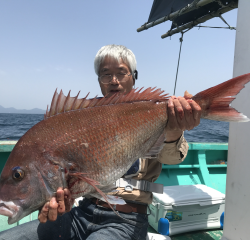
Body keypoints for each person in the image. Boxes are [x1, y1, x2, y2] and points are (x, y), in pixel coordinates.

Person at [0, 45, 201, 240]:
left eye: (121, 72)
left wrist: (174, 130)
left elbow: (172, 157)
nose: (114, 81)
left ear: (133, 76)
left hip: (127, 219)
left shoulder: (154, 112)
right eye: (106, 74)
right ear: (99, 80)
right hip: (81, 212)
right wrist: (56, 200)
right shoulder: (82, 116)